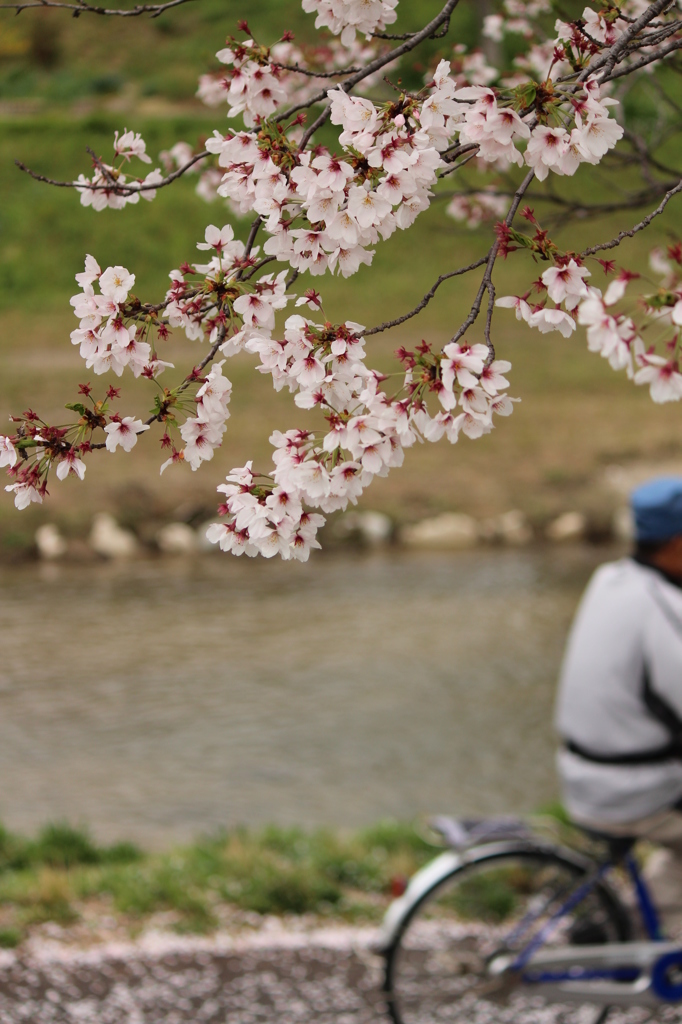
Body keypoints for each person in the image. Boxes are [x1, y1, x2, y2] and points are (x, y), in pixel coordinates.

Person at [555, 477, 682, 937]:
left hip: (583, 771)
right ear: (677, 543)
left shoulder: (610, 578)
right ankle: (647, 931)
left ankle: (644, 926)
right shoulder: (664, 605)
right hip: (628, 788)